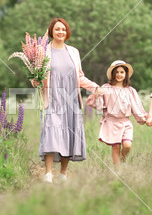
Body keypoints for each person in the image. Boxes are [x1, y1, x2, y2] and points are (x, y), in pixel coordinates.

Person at [31, 18, 100, 183]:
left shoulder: (74, 52)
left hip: (71, 100)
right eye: (57, 29)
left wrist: (95, 87)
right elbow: (37, 76)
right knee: (50, 132)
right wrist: (34, 82)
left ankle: (62, 174)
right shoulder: (43, 51)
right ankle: (48, 174)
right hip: (52, 99)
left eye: (63, 29)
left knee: (69, 134)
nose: (60, 32)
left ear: (67, 32)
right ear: (51, 32)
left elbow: (80, 77)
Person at [87, 60, 151, 167]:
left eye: (122, 72)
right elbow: (97, 104)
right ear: (112, 74)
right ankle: (118, 170)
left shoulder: (130, 91)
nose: (119, 75)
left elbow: (137, 107)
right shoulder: (106, 88)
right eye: (116, 72)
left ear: (126, 74)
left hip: (125, 122)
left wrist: (146, 118)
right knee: (116, 147)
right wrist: (96, 95)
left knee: (127, 146)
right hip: (112, 122)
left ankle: (123, 161)